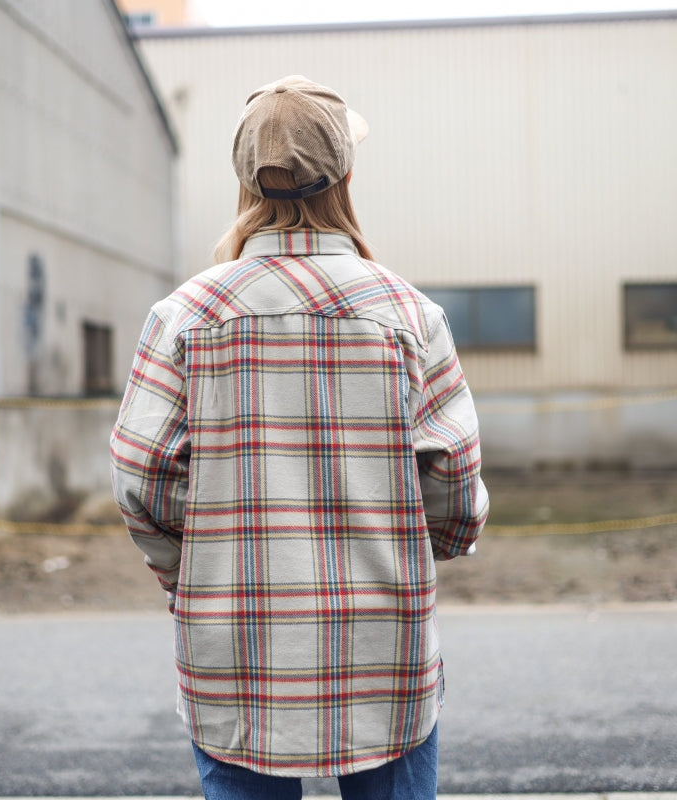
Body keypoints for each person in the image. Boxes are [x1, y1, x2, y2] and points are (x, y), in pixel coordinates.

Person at [110, 75, 489, 800]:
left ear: (243, 177)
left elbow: (141, 481)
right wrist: (421, 547)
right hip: (386, 641)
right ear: (346, 174)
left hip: (234, 644)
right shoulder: (409, 316)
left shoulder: (182, 318)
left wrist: (193, 575)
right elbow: (452, 484)